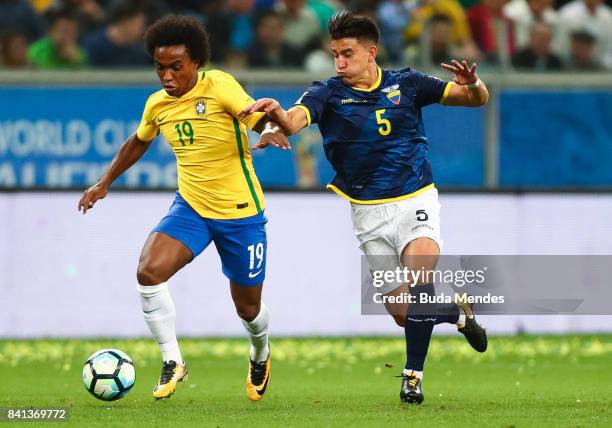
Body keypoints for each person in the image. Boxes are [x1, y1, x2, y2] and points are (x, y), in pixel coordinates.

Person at [240, 11, 489, 405]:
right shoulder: (327, 93)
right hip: (368, 213)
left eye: (347, 54)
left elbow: (476, 100)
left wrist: (473, 82)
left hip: (415, 200)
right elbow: (294, 120)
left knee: (421, 283)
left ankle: (412, 378)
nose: (339, 62)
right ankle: (459, 313)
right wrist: (274, 117)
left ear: (371, 53)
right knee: (403, 313)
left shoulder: (408, 84)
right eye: (335, 54)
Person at [78, 15, 286, 401]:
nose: (167, 76)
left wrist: (271, 130)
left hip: (240, 213)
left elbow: (255, 115)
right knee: (149, 271)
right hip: (190, 207)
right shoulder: (157, 104)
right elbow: (138, 141)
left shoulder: (219, 84)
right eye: (161, 67)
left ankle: (260, 351)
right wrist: (105, 182)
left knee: (249, 310)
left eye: (176, 66)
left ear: (196, 63)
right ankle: (173, 360)